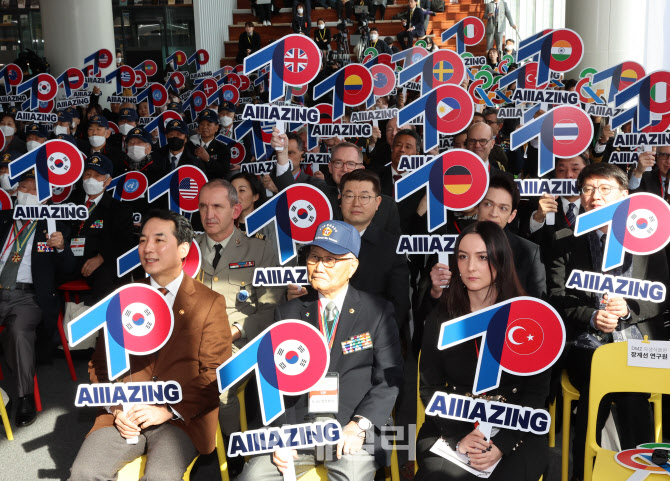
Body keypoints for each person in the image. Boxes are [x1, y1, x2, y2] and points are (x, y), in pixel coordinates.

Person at [68, 210, 232, 481]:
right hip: (124, 414)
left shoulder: (209, 302)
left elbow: (215, 373)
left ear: (183, 249)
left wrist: (166, 411)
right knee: (84, 473)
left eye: (159, 240)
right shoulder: (123, 298)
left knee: (160, 478)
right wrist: (115, 407)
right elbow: (99, 363)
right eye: (143, 241)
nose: (147, 249)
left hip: (180, 418)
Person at [236, 220, 403, 481]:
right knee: (253, 476)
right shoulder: (288, 312)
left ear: (353, 266)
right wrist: (280, 434)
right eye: (314, 257)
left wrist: (358, 426)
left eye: (331, 260)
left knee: (353, 475)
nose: (319, 266)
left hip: (350, 427)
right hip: (297, 430)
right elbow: (272, 381)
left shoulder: (377, 313)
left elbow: (388, 382)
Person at [548, 162, 669, 481]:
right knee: (612, 380)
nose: (595, 197)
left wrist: (628, 308)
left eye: (605, 189)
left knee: (627, 384)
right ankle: (603, 470)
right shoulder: (565, 238)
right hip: (586, 346)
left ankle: (621, 471)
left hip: (640, 342)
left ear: (625, 195)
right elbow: (557, 298)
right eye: (588, 189)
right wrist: (591, 316)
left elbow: (661, 294)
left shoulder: (649, 236)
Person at [416, 221, 549, 481]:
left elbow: (537, 391)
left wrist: (503, 444)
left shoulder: (528, 318)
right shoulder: (441, 318)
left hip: (516, 425)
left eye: (482, 257)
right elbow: (429, 386)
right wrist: (458, 436)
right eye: (463, 257)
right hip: (452, 422)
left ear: (501, 261)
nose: (470, 267)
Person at [195, 179, 282, 434]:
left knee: (218, 387)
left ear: (235, 211)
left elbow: (271, 310)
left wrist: (233, 331)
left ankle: (230, 454)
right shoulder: (187, 250)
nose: (209, 214)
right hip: (192, 339)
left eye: (217, 207)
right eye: (203, 206)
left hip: (238, 342)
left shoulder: (260, 249)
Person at [0, 170, 75, 427]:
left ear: (44, 199)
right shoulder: (2, 219)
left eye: (34, 191)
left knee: (19, 332)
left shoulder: (54, 227)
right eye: (23, 187)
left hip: (27, 297)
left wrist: (61, 247)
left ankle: (24, 396)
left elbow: (68, 268)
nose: (27, 193)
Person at [271, 131, 402, 235]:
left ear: (361, 168)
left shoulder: (386, 205)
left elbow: (393, 251)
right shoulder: (318, 193)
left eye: (351, 164)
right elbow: (290, 194)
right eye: (338, 163)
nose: (344, 168)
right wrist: (282, 155)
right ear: (330, 167)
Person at [65, 154, 135, 303]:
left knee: (107, 276)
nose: (91, 179)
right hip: (68, 261)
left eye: (97, 175)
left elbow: (126, 242)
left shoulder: (119, 209)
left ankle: (99, 321)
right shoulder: (69, 204)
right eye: (88, 174)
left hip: (98, 265)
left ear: (108, 181)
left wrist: (102, 257)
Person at [475, 173, 546, 298]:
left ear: (512, 216)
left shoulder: (529, 253)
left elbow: (537, 308)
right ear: (477, 207)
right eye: (488, 204)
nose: (493, 213)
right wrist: (436, 292)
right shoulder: (454, 244)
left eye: (503, 208)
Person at [192, 110, 231, 180]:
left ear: (217, 127)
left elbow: (224, 172)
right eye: (202, 124)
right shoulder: (190, 145)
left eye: (209, 124)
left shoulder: (223, 148)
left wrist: (208, 159)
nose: (204, 127)